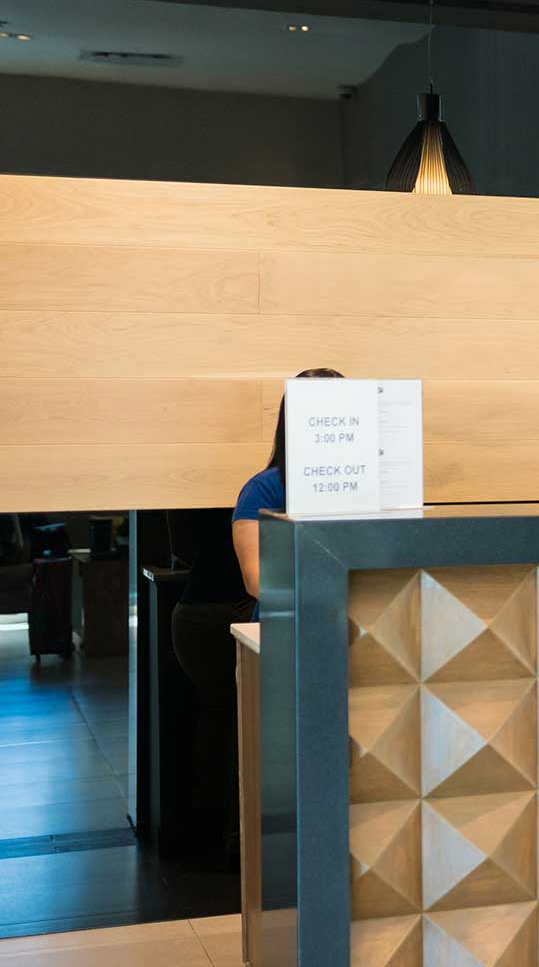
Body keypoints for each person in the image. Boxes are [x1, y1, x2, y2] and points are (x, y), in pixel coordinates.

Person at [173, 365, 343, 866]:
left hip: (333, 631)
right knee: (261, 747)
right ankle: (245, 851)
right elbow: (255, 578)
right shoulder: (265, 489)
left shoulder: (360, 484)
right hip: (272, 632)